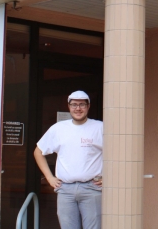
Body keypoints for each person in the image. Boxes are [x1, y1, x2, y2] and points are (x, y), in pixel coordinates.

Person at [34, 90, 103, 229]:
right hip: (65, 189)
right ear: (69, 106)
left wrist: (109, 176)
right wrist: (49, 178)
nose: (78, 108)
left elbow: (115, 154)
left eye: (82, 104)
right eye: (74, 105)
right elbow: (38, 152)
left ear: (88, 106)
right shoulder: (58, 129)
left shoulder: (100, 127)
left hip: (92, 188)